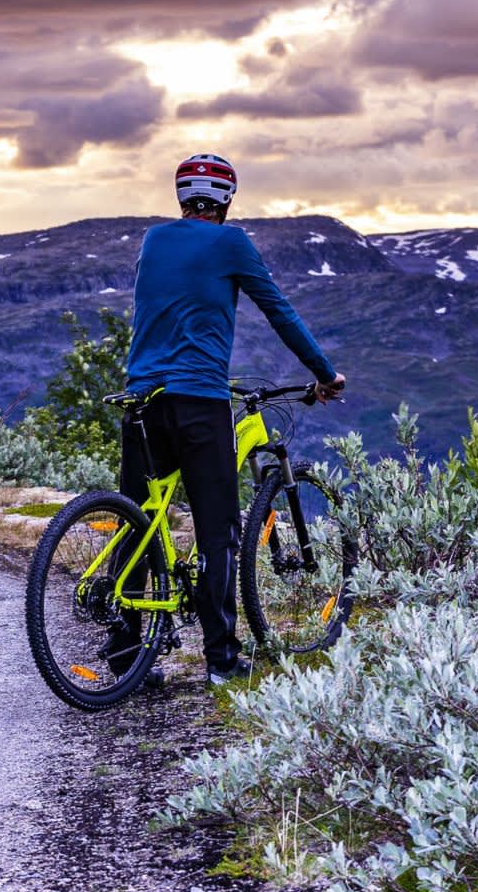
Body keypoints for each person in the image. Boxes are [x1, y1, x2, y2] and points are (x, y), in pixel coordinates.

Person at [115, 153, 345, 686]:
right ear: (226, 200)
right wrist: (325, 373)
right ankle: (220, 659)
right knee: (218, 530)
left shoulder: (154, 239)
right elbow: (279, 311)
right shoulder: (232, 242)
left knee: (138, 519)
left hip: (141, 399)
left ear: (181, 197)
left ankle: (126, 652)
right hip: (198, 401)